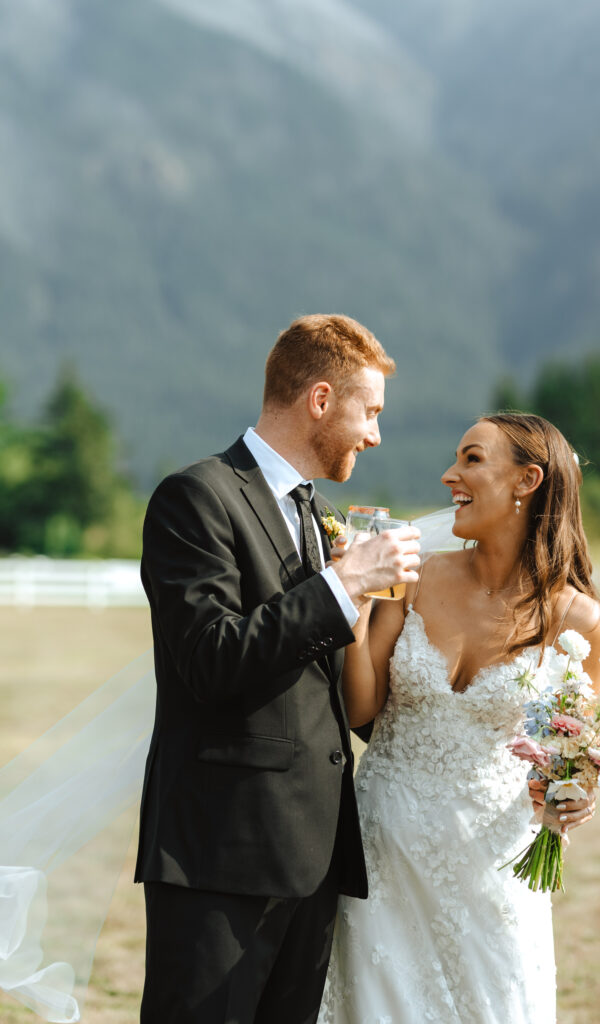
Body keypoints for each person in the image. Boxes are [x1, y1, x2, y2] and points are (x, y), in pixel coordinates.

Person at [135, 313, 421, 1024]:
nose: (375, 435)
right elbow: (209, 658)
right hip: (220, 853)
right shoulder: (196, 498)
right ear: (320, 400)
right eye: (371, 411)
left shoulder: (320, 516)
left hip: (314, 856)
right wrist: (343, 585)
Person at [318, 412, 600, 1024]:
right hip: (381, 854)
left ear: (526, 481)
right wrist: (358, 608)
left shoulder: (579, 622)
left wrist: (576, 798)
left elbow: (574, 759)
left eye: (473, 459)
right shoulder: (419, 578)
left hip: (494, 873)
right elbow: (360, 707)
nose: (451, 473)